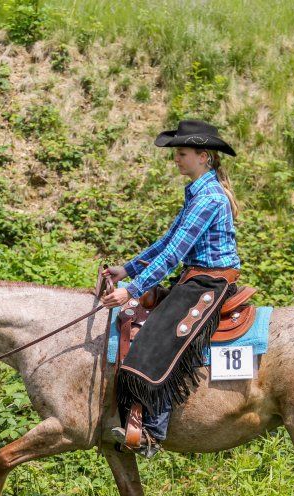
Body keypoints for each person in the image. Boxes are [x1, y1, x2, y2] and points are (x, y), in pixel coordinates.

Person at [101, 119, 241, 457]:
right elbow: (167, 241)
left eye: (182, 154)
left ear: (203, 156)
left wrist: (132, 290)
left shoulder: (209, 198)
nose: (176, 159)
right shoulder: (198, 192)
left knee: (159, 339)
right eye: (176, 154)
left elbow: (174, 253)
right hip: (195, 277)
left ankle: (152, 431)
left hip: (209, 281)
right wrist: (128, 269)